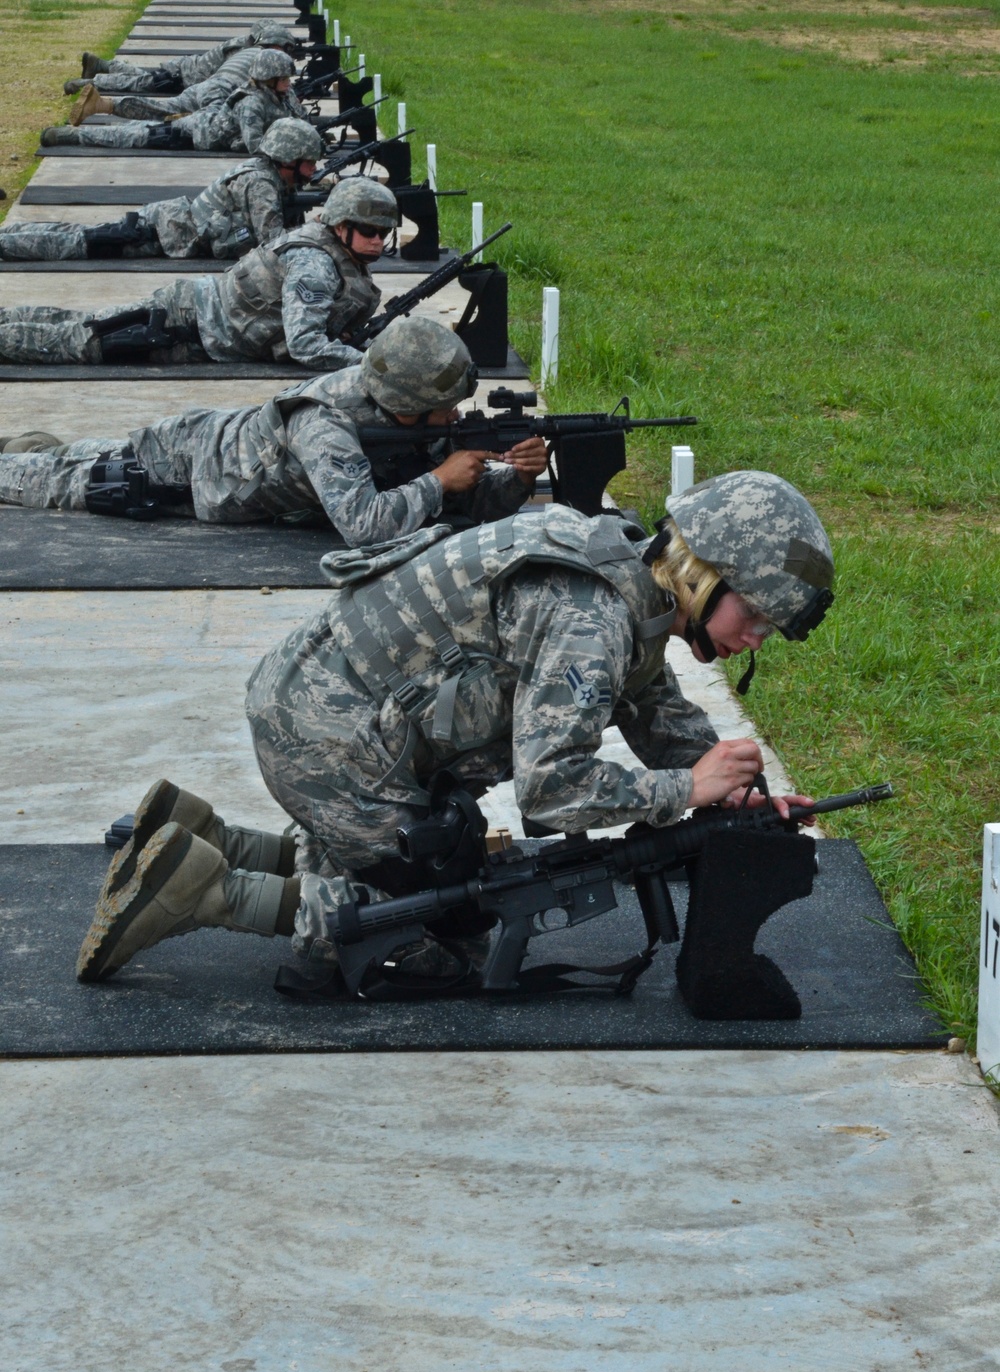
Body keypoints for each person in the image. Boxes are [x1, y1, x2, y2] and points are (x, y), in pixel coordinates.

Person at [75, 472, 835, 985]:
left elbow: (649, 705)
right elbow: (552, 788)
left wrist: (730, 788)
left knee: (451, 879)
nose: (754, 638)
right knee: (435, 936)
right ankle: (199, 889)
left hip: (328, 721)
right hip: (328, 745)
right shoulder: (589, 617)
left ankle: (210, 836)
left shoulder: (624, 576)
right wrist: (681, 788)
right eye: (756, 615)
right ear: (706, 573)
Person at [0, 318, 548, 540]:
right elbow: (364, 526)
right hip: (176, 470)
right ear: (408, 401)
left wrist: (516, 481)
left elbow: (462, 505)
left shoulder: (400, 410)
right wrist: (440, 480)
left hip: (208, 444)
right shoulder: (325, 423)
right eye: (444, 406)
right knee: (45, 482)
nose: (454, 416)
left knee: (56, 454)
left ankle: (29, 444)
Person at [0, 176, 397, 370]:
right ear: (341, 225)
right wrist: (371, 364)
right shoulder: (315, 264)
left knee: (80, 326)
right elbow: (305, 345)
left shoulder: (328, 247)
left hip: (194, 313)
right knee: (78, 341)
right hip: (184, 326)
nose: (377, 241)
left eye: (383, 233)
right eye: (368, 231)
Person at [0, 119, 323, 263]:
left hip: (166, 223)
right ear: (288, 158)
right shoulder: (262, 184)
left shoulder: (262, 172)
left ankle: (10, 233)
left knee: (78, 234)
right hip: (163, 234)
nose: (312, 170)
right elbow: (274, 243)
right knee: (76, 244)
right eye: (308, 163)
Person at [41, 50, 308, 155]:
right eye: (282, 78)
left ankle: (99, 104)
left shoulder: (280, 94)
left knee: (150, 116)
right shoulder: (252, 102)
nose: (288, 82)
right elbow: (256, 149)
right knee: (130, 135)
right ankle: (71, 136)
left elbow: (300, 118)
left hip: (203, 120)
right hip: (192, 132)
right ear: (267, 78)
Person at [62, 23, 299, 103]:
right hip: (185, 78)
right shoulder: (245, 51)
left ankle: (102, 64)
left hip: (185, 70)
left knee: (141, 77)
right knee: (138, 84)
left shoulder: (245, 43)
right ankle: (88, 81)